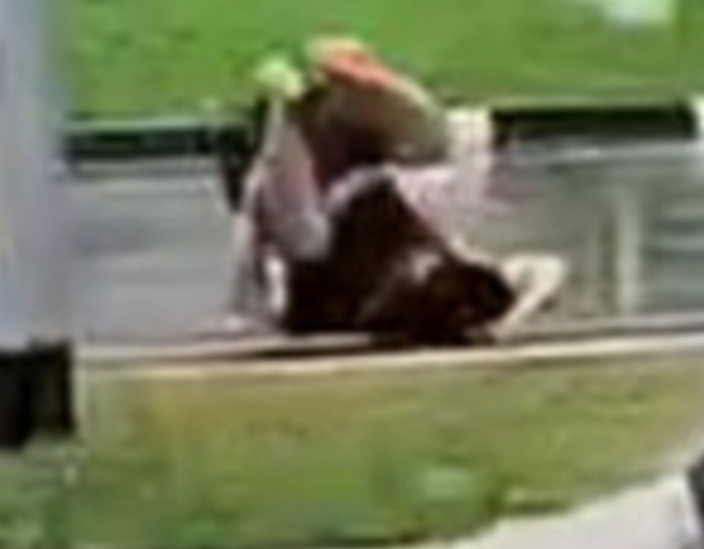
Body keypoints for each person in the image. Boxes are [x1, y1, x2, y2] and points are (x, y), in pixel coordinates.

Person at [217, 38, 563, 347]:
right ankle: (318, 105)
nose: (422, 268)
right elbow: (546, 269)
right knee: (463, 134)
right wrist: (501, 328)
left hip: (322, 244)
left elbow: (290, 242)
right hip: (359, 188)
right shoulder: (434, 240)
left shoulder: (333, 285)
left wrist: (287, 114)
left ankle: (299, 109)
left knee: (308, 237)